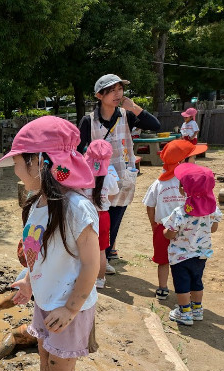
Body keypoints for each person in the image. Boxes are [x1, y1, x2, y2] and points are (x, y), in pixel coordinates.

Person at [0, 115, 100, 371]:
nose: (13, 169)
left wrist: (71, 308)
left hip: (68, 306)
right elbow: (36, 256)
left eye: (17, 162)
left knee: (62, 370)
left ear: (39, 161)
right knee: (45, 359)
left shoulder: (76, 208)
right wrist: (27, 282)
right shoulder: (36, 205)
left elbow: (91, 264)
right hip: (45, 302)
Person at [78, 74, 161, 263]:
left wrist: (133, 107)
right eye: (111, 90)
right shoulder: (88, 121)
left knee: (113, 224)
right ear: (99, 95)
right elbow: (77, 150)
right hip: (99, 183)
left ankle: (104, 260)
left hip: (124, 179)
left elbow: (155, 125)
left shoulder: (127, 115)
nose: (117, 94)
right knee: (96, 222)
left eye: (120, 89)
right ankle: (95, 262)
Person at [142, 140, 207, 300]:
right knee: (187, 260)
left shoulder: (158, 183)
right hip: (188, 230)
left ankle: (162, 288)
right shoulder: (191, 181)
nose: (195, 160)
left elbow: (150, 205)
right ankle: (190, 292)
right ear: (182, 161)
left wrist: (153, 224)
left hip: (162, 228)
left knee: (163, 261)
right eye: (192, 157)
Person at [163, 164, 221, 326]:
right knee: (197, 281)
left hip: (180, 256)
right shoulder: (213, 210)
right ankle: (197, 309)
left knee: (182, 284)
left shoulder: (180, 212)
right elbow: (214, 228)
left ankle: (184, 313)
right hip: (202, 254)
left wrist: (165, 232)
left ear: (184, 189)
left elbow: (171, 233)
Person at [84, 140, 119, 288]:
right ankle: (100, 280)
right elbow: (113, 195)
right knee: (101, 250)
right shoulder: (110, 178)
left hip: (85, 217)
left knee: (83, 249)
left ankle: (84, 278)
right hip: (103, 216)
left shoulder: (83, 176)